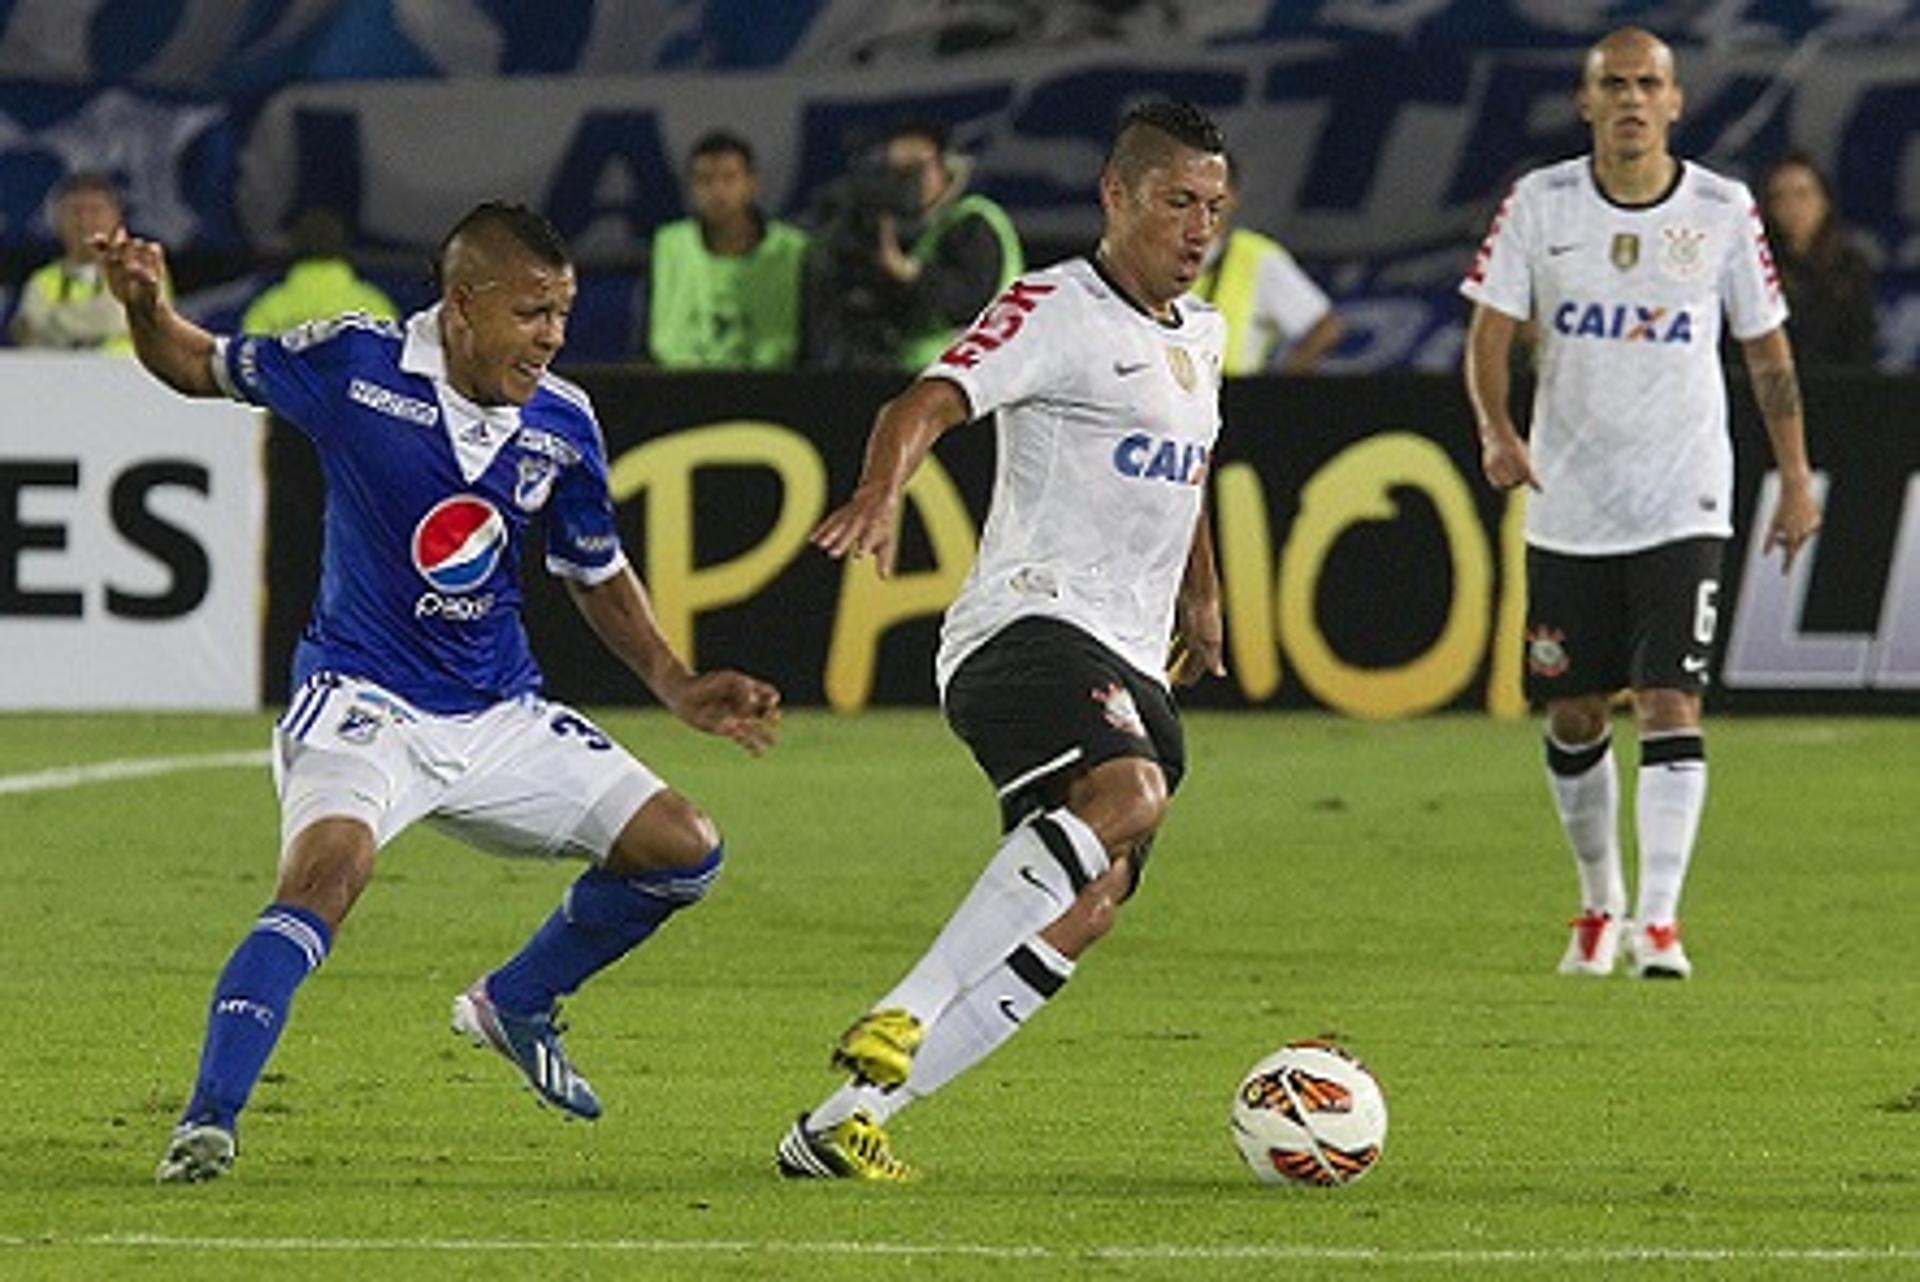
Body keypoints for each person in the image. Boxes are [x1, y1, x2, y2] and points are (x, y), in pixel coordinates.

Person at [96, 201, 782, 1183]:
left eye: (563, 313)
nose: (551, 337)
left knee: (683, 851)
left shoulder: (563, 421)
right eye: (532, 312)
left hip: (500, 710)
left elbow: (594, 569)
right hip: (363, 701)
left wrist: (675, 683)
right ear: (462, 306)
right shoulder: (353, 366)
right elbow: (191, 361)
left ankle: (517, 1000)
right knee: (326, 877)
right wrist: (145, 307)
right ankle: (207, 1120)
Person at [777, 100, 1229, 1180]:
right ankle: (905, 1007)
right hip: (1024, 625)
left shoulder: (1200, 333)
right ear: (1116, 197)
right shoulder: (1051, 306)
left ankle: (840, 1123)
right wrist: (882, 492)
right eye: (1178, 201)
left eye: (1215, 205)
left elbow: (1192, 469)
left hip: (1125, 646)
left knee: (1093, 903)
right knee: (1126, 799)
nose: (1199, 226)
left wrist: (1202, 597)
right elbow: (923, 402)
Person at [1460, 27, 1821, 981]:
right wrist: (1499, 431)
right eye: (1611, 84)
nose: (1629, 99)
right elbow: (1489, 331)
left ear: (1674, 101)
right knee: (1576, 712)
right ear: (1586, 103)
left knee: (1671, 697)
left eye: (1646, 84)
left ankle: (1659, 921)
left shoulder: (1722, 207)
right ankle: (1599, 902)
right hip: (1570, 497)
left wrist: (1791, 474)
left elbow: (1767, 351)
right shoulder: (1541, 205)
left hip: (1685, 493)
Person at [804, 119, 1023, 370]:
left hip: (973, 373)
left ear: (946, 165)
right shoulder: (917, 231)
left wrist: (907, 271)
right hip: (921, 373)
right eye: (894, 169)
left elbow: (971, 300)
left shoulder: (975, 220)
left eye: (915, 167)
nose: (904, 180)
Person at [643, 130, 808, 369]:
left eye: (729, 178)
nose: (717, 191)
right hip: (680, 394)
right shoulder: (668, 246)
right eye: (705, 180)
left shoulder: (792, 250)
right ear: (691, 187)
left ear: (752, 184)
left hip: (772, 393)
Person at [1189, 151, 1345, 374]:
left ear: (1231, 197)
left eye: (1211, 193)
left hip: (1231, 404)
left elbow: (1325, 328)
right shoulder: (1147, 254)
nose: (1199, 206)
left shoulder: (1254, 258)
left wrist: (1277, 396)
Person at [1760, 150, 1877, 369]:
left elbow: (1862, 347)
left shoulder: (1851, 267)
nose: (1792, 207)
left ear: (1825, 201)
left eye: (1802, 194)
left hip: (1839, 391)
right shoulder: (1754, 269)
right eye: (1780, 197)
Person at [8, 172, 134, 351]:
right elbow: (28, 337)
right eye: (75, 211)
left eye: (95, 210)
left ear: (115, 218)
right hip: (61, 376)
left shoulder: (141, 272)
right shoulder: (41, 281)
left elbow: (146, 327)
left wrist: (60, 325)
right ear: (57, 220)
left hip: (127, 375)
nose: (85, 222)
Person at [242, 207, 399, 335]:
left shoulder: (268, 307)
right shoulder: (374, 305)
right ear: (344, 249)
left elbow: (249, 361)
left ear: (294, 251)